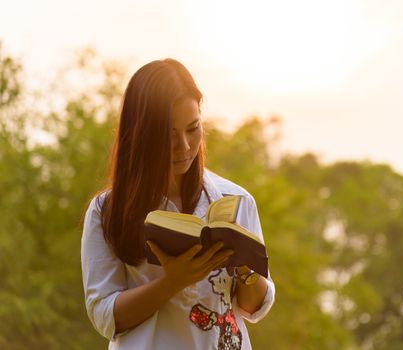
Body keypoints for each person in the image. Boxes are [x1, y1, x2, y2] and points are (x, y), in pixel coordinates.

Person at [81, 59, 275, 350]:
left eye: (193, 128)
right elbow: (104, 316)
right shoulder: (106, 211)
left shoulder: (234, 201)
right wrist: (173, 282)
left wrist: (246, 270)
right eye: (168, 135)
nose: (184, 147)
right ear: (141, 134)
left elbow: (253, 307)